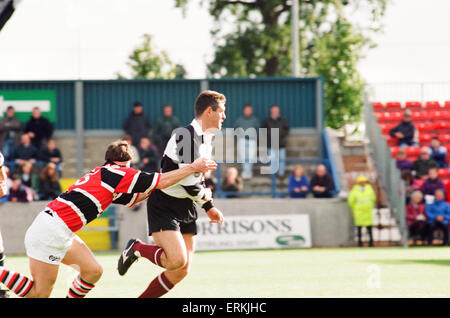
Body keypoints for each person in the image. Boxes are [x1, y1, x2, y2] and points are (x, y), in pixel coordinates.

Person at [0, 140, 216, 298]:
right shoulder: (121, 173)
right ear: (128, 163)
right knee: (39, 294)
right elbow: (159, 181)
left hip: (56, 228)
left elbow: (136, 198)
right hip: (51, 232)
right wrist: (193, 168)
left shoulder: (105, 173)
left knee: (93, 272)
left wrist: (172, 184)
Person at [117, 90, 226, 298]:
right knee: (176, 260)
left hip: (186, 206)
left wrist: (205, 202)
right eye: (221, 111)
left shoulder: (207, 138)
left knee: (181, 270)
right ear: (209, 111)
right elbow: (187, 181)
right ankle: (137, 248)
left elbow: (195, 179)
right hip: (164, 204)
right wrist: (209, 205)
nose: (224, 116)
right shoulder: (186, 136)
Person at [261, 104, 290, 178]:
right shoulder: (266, 120)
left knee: (281, 160)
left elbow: (287, 130)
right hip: (270, 144)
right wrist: (270, 135)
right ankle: (273, 174)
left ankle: (281, 173)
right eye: (273, 110)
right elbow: (262, 131)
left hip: (281, 144)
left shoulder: (283, 120)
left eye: (276, 110)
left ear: (278, 111)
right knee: (272, 160)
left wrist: (280, 134)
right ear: (271, 111)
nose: (275, 112)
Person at [348, 175, 375, 247]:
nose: (363, 183)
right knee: (359, 228)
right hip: (359, 211)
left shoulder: (369, 189)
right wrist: (354, 208)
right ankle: (360, 243)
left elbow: (373, 198)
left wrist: (370, 206)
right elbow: (351, 201)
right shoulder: (355, 190)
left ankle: (371, 243)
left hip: (367, 211)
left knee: (369, 228)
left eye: (364, 182)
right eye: (362, 182)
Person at [234, 104, 260, 179]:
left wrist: (255, 137)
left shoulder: (255, 120)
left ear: (251, 111)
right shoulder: (239, 119)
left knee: (251, 157)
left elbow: (258, 130)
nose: (247, 111)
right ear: (244, 110)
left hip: (252, 141)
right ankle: (245, 172)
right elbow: (235, 129)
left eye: (249, 110)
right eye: (246, 110)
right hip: (242, 140)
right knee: (243, 157)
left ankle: (249, 172)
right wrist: (238, 137)